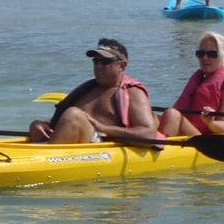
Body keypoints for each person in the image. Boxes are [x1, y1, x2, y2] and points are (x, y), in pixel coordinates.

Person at [28, 38, 161, 144]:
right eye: (96, 61)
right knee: (71, 115)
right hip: (75, 145)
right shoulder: (87, 89)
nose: (98, 66)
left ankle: (46, 159)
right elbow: (62, 122)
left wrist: (104, 129)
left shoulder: (134, 92)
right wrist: (40, 124)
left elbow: (148, 133)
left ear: (122, 65)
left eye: (105, 62)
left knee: (74, 115)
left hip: (103, 147)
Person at [158, 31, 224, 136]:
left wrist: (211, 122)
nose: (205, 58)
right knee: (151, 117)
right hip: (191, 131)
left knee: (172, 114)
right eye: (200, 54)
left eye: (212, 54)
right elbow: (177, 110)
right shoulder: (198, 80)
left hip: (209, 139)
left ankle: (159, 144)